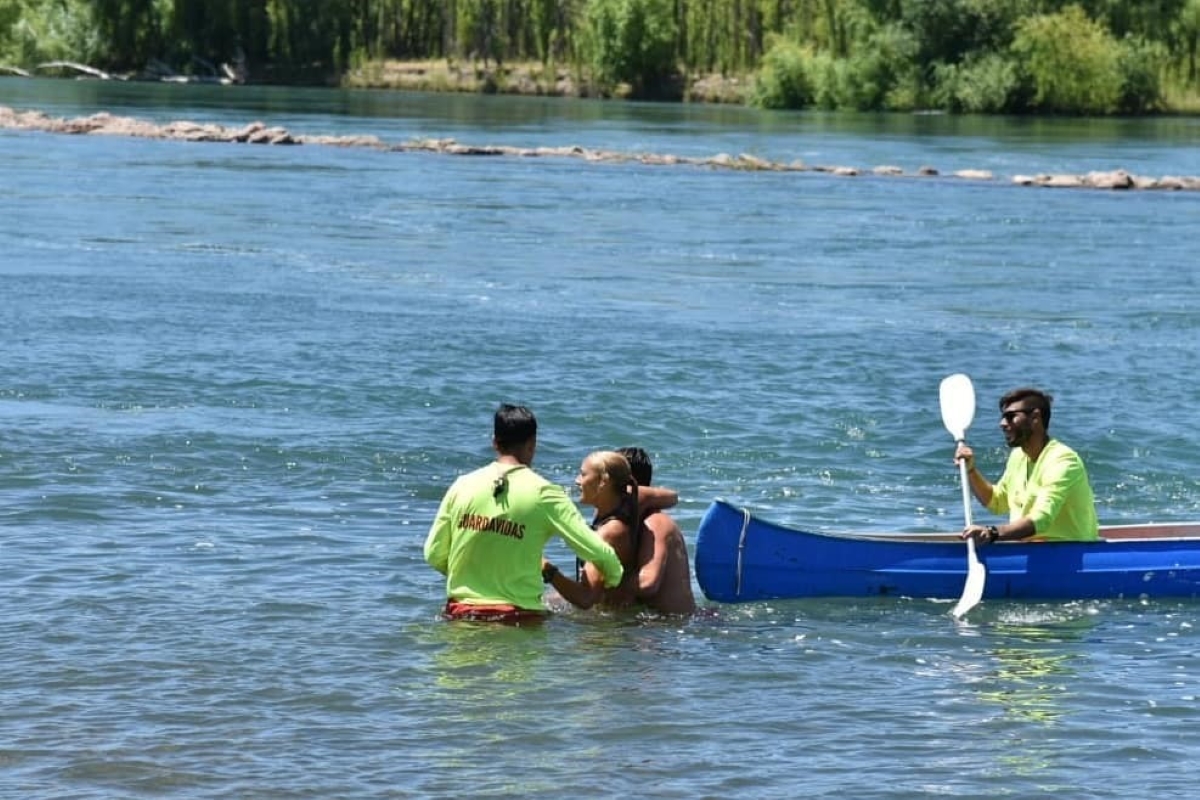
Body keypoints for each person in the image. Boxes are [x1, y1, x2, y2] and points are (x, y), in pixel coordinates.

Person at [424, 404, 624, 623]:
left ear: (494, 442)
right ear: (532, 444)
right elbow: (598, 551)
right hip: (518, 620)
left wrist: (475, 580)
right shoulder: (545, 494)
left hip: (461, 617)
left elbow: (434, 553)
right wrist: (614, 577)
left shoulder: (461, 486)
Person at [956, 387, 1099, 545]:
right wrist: (971, 470)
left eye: (1011, 417)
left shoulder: (1063, 461)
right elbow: (997, 502)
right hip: (1031, 549)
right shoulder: (1018, 456)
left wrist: (992, 533)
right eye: (1003, 417)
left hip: (1069, 554)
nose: (1002, 424)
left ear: (1035, 417)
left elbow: (1041, 519)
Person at [541, 450, 645, 610]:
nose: (577, 481)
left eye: (583, 475)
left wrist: (546, 568)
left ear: (604, 481)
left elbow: (586, 598)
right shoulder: (610, 514)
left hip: (605, 629)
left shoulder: (610, 532)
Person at [617, 446, 697, 615]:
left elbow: (648, 583)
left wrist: (603, 581)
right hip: (650, 624)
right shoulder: (627, 524)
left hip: (672, 628)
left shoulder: (656, 523)